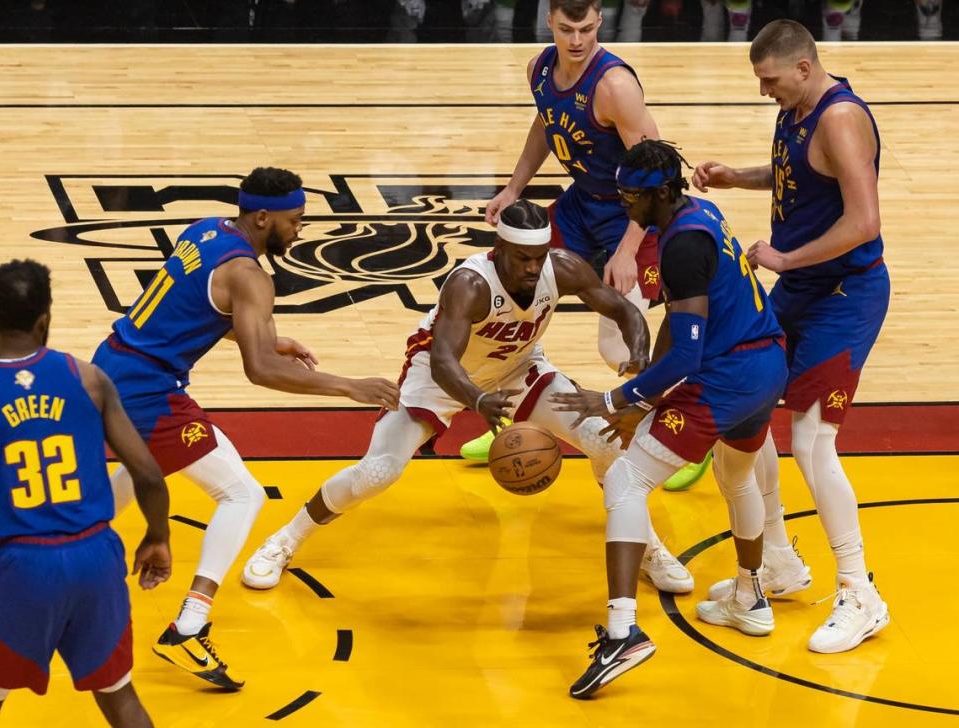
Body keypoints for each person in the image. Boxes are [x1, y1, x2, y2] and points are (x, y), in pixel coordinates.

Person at [242, 199, 693, 596]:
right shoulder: (470, 285)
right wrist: (477, 402)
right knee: (378, 472)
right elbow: (443, 361)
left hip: (517, 368)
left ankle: (647, 548)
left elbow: (627, 310)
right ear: (499, 249)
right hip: (439, 376)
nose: (533, 269)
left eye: (539, 257)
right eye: (522, 259)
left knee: (608, 443)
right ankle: (285, 539)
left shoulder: (563, 267)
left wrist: (637, 357)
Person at [90, 167, 400, 688]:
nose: (299, 231)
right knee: (241, 495)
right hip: (148, 391)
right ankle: (190, 626)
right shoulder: (251, 277)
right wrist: (349, 386)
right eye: (294, 221)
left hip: (113, 363)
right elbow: (260, 372)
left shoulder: (205, 229)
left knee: (144, 470)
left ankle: (31, 548)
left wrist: (267, 337)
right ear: (263, 218)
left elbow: (189, 304)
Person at [553, 140, 788, 698]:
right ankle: (750, 597)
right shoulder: (699, 214)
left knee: (625, 479)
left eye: (631, 197)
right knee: (736, 478)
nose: (623, 206)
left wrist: (617, 401)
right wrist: (644, 391)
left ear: (661, 192)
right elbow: (681, 321)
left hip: (726, 378)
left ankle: (622, 632)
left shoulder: (681, 246)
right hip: (764, 365)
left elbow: (688, 356)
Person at [692, 19, 891, 654]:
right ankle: (775, 560)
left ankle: (860, 593)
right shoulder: (798, 108)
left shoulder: (840, 117)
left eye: (770, 80)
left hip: (845, 296)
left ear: (803, 68)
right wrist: (736, 178)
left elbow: (864, 222)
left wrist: (784, 259)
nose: (764, 92)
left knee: (810, 439)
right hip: (804, 288)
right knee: (740, 416)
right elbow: (798, 177)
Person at [465, 0, 712, 491]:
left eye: (584, 28)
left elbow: (662, 171)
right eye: (565, 29)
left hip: (635, 214)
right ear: (550, 23)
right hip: (583, 206)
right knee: (511, 283)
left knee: (616, 342)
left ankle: (686, 434)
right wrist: (514, 188)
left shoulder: (614, 85)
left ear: (599, 20)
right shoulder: (539, 68)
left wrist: (626, 248)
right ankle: (517, 407)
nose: (576, 40)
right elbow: (545, 124)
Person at [0, 260, 172, 727]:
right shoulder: (87, 377)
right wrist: (158, 536)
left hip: (19, 565)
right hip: (95, 558)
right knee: (120, 698)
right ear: (44, 320)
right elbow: (150, 476)